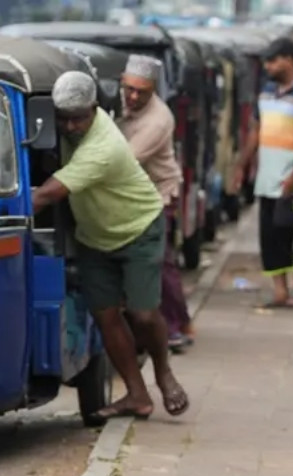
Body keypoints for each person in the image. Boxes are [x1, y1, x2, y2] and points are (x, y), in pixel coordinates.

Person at [33, 70, 190, 420]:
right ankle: (137, 395)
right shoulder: (60, 130)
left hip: (138, 228)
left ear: (94, 109)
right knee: (105, 317)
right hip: (94, 237)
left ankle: (163, 372)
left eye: (78, 119)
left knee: (143, 314)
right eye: (64, 119)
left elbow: (46, 195)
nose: (71, 126)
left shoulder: (102, 147)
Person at [116, 54, 192, 354]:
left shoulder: (158, 120)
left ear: (154, 90)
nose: (134, 97)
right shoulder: (118, 102)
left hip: (157, 194)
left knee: (157, 262)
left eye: (142, 92)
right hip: (129, 194)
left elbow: (123, 161)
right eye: (130, 90)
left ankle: (174, 326)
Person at [234, 37, 293, 309]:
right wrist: (242, 164)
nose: (268, 66)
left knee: (290, 231)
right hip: (266, 178)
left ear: (290, 60)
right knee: (269, 236)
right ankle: (282, 290)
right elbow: (256, 131)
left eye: (273, 61)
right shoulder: (266, 91)